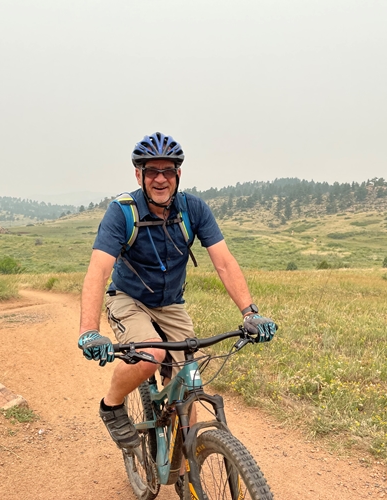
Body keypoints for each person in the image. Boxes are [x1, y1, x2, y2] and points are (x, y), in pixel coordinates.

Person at [78, 132, 277, 450]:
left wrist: (250, 313)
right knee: (151, 355)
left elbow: (224, 263)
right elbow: (98, 271)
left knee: (188, 382)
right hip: (129, 298)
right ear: (138, 175)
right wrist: (89, 331)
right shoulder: (123, 212)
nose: (160, 179)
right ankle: (112, 406)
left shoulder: (192, 210)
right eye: (152, 171)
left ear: (178, 174)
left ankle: (185, 465)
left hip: (171, 303)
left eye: (168, 171)